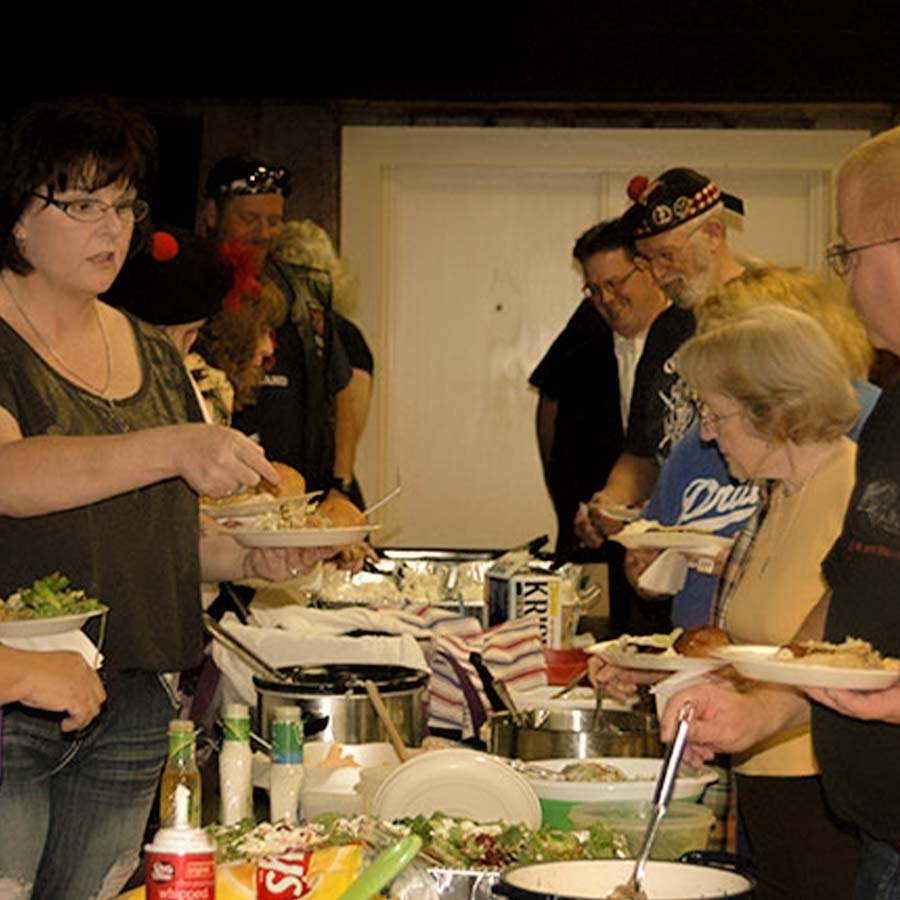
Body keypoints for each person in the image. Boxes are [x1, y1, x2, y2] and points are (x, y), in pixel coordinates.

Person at [0, 98, 332, 900]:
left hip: (141, 689)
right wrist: (173, 446)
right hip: (17, 692)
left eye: (121, 204)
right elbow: (11, 478)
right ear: (15, 217)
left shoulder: (150, 346)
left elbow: (171, 532)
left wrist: (249, 555)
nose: (110, 228)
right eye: (80, 205)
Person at [658, 124, 900, 900]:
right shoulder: (894, 417)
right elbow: (845, 603)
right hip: (879, 832)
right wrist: (761, 711)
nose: (846, 280)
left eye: (847, 254)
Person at [624, 267, 878, 627]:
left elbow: (852, 651)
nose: (706, 435)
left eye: (715, 416)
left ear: (770, 413)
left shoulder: (856, 494)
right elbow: (748, 645)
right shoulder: (775, 494)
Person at [577, 169, 746, 550]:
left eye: (666, 255)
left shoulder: (769, 315)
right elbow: (642, 452)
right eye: (647, 261)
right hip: (671, 555)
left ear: (713, 235)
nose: (658, 273)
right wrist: (610, 501)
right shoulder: (667, 329)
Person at [530, 218, 672, 633]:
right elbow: (550, 405)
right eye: (594, 289)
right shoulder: (588, 326)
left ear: (648, 270)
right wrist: (570, 501)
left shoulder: (687, 331)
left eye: (615, 284)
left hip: (670, 540)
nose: (606, 299)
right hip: (597, 536)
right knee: (595, 638)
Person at [203, 157, 356, 503]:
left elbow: (342, 390)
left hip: (298, 497)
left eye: (274, 221)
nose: (263, 233)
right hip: (215, 498)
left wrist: (340, 485)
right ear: (213, 214)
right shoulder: (186, 289)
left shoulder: (305, 296)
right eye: (249, 219)